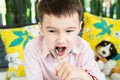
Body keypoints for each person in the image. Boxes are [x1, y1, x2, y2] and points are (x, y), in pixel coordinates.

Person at [24, 0, 105, 80]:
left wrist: (82, 75)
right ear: (41, 28)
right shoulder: (32, 49)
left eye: (69, 31)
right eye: (52, 31)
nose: (61, 40)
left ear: (79, 28)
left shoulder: (84, 49)